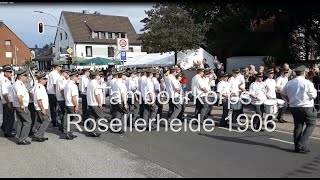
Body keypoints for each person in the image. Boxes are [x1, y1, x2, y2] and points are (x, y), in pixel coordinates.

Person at [281, 65, 317, 153]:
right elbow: (313, 95)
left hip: (294, 107)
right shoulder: (307, 83)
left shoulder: (289, 82)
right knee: (311, 124)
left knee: (298, 126)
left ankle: (297, 146)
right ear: (304, 72)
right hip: (306, 106)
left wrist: (289, 100)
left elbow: (283, 93)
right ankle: (302, 144)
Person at [13, 69, 32, 145]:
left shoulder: (18, 83)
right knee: (28, 122)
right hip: (21, 106)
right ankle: (22, 139)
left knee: (20, 121)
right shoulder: (19, 84)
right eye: (25, 75)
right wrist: (22, 105)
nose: (26, 77)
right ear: (20, 76)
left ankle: (20, 137)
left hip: (18, 105)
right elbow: (19, 96)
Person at [33, 74, 51, 142]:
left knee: (40, 121)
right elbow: (39, 99)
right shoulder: (39, 87)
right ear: (40, 80)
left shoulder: (39, 86)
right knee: (46, 120)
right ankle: (39, 135)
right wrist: (42, 109)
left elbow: (31, 93)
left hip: (41, 107)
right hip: (42, 107)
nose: (46, 81)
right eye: (44, 79)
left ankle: (39, 134)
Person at [86, 71, 104, 137]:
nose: (100, 77)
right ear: (96, 76)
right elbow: (97, 94)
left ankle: (91, 129)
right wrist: (99, 103)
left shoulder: (90, 82)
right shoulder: (96, 84)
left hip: (90, 102)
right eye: (99, 75)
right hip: (95, 103)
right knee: (99, 117)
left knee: (93, 116)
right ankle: (95, 131)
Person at [63, 71, 80, 140]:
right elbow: (73, 97)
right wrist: (76, 106)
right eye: (76, 76)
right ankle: (69, 133)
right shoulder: (73, 85)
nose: (77, 78)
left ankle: (69, 132)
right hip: (72, 104)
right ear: (73, 77)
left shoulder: (67, 84)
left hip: (67, 103)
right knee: (76, 118)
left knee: (70, 119)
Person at [47, 62, 63, 127]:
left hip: (50, 92)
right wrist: (57, 93)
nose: (61, 68)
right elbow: (55, 84)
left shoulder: (51, 73)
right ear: (57, 67)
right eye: (60, 66)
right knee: (56, 108)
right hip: (54, 93)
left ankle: (54, 120)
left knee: (52, 108)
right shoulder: (55, 74)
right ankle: (56, 121)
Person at [1, 65, 15, 137]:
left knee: (7, 117)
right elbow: (4, 93)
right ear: (5, 72)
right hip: (7, 102)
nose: (10, 73)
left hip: (7, 101)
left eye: (11, 72)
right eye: (9, 72)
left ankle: (7, 130)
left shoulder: (7, 80)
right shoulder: (5, 81)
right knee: (11, 117)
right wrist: (9, 103)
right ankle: (8, 132)